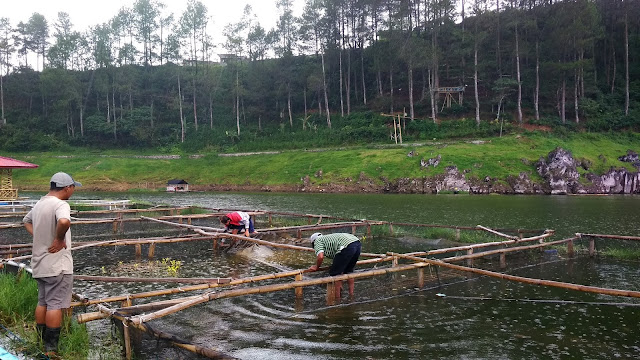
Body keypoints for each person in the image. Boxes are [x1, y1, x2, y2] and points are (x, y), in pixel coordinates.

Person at [23, 172, 81, 354]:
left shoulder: (40, 203)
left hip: (40, 264)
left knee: (43, 302)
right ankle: (51, 349)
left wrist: (41, 237)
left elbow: (26, 221)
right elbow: (64, 221)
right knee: (55, 304)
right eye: (73, 187)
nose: (72, 191)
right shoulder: (60, 204)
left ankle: (40, 341)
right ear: (67, 188)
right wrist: (58, 239)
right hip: (57, 265)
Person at [307, 232, 361, 299]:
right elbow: (339, 260)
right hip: (356, 242)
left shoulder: (317, 241)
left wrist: (316, 267)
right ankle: (351, 295)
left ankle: (337, 298)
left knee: (335, 274)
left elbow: (320, 257)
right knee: (348, 271)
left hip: (346, 246)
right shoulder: (327, 239)